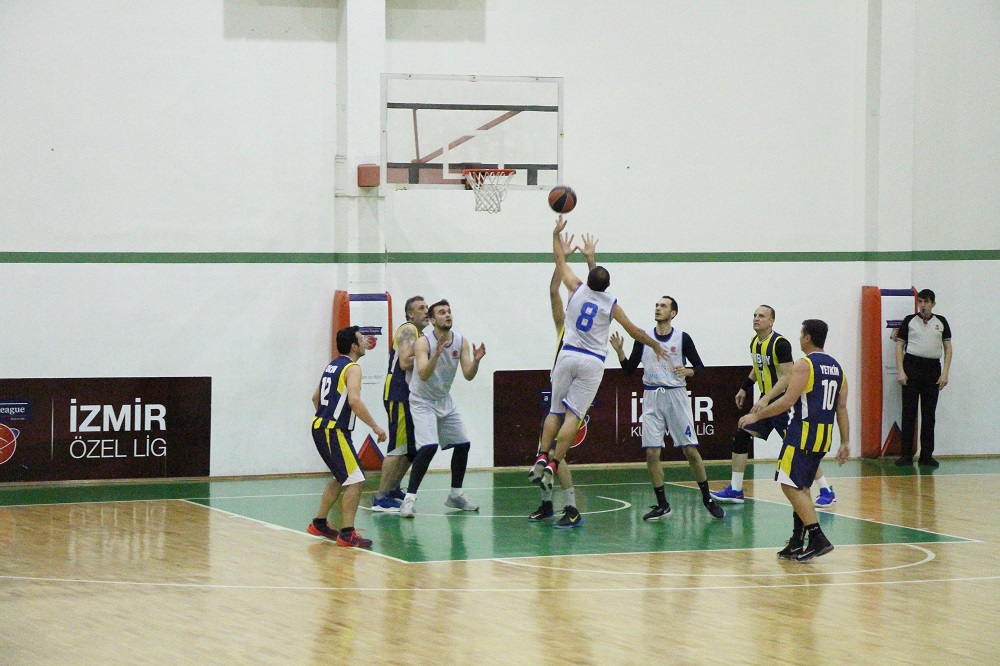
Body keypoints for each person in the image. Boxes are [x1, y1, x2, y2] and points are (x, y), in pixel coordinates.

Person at [530, 215, 668, 528]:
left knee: (554, 419)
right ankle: (550, 477)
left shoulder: (576, 292)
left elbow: (560, 272)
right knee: (571, 420)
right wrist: (655, 345)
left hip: (567, 357)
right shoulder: (610, 304)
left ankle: (552, 472)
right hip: (592, 361)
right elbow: (634, 330)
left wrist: (557, 238)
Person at [738, 319, 850, 562]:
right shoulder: (837, 368)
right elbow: (841, 408)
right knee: (802, 487)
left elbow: (787, 401)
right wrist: (845, 441)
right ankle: (797, 541)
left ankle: (817, 537)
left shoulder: (804, 364)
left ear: (807, 337)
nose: (799, 338)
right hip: (824, 436)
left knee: (789, 485)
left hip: (803, 433)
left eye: (801, 334)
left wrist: (756, 415)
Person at [610, 296, 725, 521]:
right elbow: (629, 370)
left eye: (663, 306)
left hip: (676, 395)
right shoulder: (643, 337)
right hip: (652, 396)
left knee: (690, 450)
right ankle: (662, 504)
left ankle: (707, 499)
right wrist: (620, 351)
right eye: (656, 305)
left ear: (673, 313)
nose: (658, 308)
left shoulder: (683, 338)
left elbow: (700, 367)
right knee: (652, 452)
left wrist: (689, 371)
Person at [711, 305, 836, 508]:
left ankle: (826, 490)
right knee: (742, 434)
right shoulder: (755, 342)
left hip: (781, 404)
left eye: (761, 316)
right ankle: (735, 489)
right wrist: (744, 388)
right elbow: (757, 367)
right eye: (754, 315)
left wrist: (766, 398)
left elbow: (788, 376)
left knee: (799, 450)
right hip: (766, 401)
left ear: (771, 322)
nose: (756, 318)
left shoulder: (780, 344)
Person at [528, 232, 597, 523]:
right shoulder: (563, 326)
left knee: (557, 453)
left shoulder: (587, 333)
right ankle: (547, 505)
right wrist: (561, 261)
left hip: (577, 391)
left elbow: (597, 292)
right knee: (544, 452)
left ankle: (571, 508)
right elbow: (553, 290)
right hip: (558, 388)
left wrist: (589, 261)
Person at [398, 300, 486, 518]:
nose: (447, 315)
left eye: (449, 311)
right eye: (441, 312)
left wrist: (476, 361)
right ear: (432, 319)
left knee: (463, 444)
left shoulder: (461, 341)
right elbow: (423, 374)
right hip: (422, 401)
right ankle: (408, 500)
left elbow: (468, 375)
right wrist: (436, 354)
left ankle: (455, 495)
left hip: (443, 399)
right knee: (428, 447)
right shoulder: (423, 343)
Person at [307, 326, 388, 548]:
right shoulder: (353, 368)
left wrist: (325, 417)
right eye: (361, 339)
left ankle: (319, 523)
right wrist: (375, 427)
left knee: (341, 476)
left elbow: (315, 398)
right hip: (333, 430)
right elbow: (354, 401)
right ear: (354, 346)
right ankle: (347, 533)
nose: (365, 342)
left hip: (321, 427)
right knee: (356, 479)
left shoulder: (332, 365)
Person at [372, 296, 429, 511]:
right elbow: (405, 362)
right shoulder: (408, 329)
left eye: (427, 307)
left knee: (411, 449)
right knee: (397, 446)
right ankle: (380, 497)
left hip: (411, 396)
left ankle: (393, 487)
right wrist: (432, 357)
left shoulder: (421, 336)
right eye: (421, 308)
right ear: (410, 314)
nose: (426, 311)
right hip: (399, 394)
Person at [895, 289, 952, 467]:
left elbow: (948, 348)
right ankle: (906, 455)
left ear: (933, 304)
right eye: (920, 301)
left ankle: (926, 455)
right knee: (909, 413)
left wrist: (945, 373)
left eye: (926, 302)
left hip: (932, 370)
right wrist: (901, 371)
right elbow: (899, 346)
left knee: (929, 415)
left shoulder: (941, 322)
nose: (922, 305)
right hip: (912, 367)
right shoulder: (909, 320)